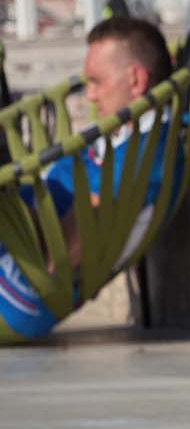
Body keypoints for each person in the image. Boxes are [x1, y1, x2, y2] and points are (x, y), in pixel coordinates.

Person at [0, 18, 177, 342]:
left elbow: (60, 255)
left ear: (136, 79)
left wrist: (14, 212)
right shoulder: (122, 139)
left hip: (23, 290)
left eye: (96, 81)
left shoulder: (142, 156)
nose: (90, 96)